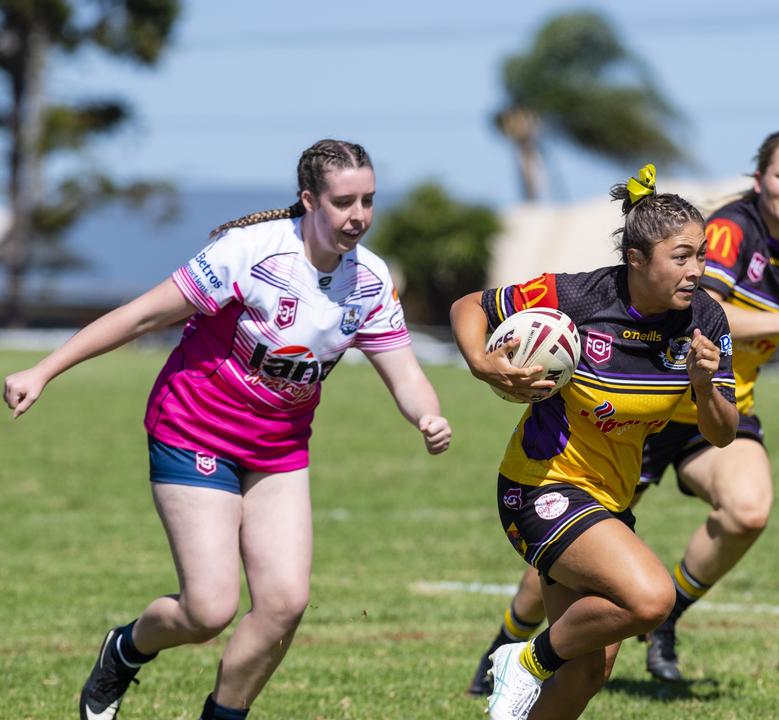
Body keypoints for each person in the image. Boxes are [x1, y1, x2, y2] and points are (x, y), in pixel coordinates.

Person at [3, 139, 453, 720]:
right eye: (344, 202)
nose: (359, 216)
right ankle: (124, 649)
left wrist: (427, 415)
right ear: (309, 200)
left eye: (368, 200)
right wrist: (44, 370)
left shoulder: (368, 280)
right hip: (194, 430)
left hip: (278, 449)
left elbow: (406, 372)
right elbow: (141, 315)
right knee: (208, 610)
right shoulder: (252, 253)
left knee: (285, 604)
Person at [464, 131, 779, 693]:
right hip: (603, 436)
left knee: (748, 510)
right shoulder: (726, 232)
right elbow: (756, 317)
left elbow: (766, 330)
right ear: (759, 178)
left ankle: (661, 625)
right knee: (596, 569)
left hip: (697, 402)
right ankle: (511, 647)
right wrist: (485, 363)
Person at [452, 164, 738, 720]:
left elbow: (721, 434)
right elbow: (471, 306)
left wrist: (704, 386)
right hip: (540, 487)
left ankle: (531, 667)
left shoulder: (704, 318)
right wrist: (486, 366)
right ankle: (525, 661)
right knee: (651, 600)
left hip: (608, 500)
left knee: (588, 670)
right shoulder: (579, 298)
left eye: (701, 256)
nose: (697, 270)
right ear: (636, 258)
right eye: (682, 257)